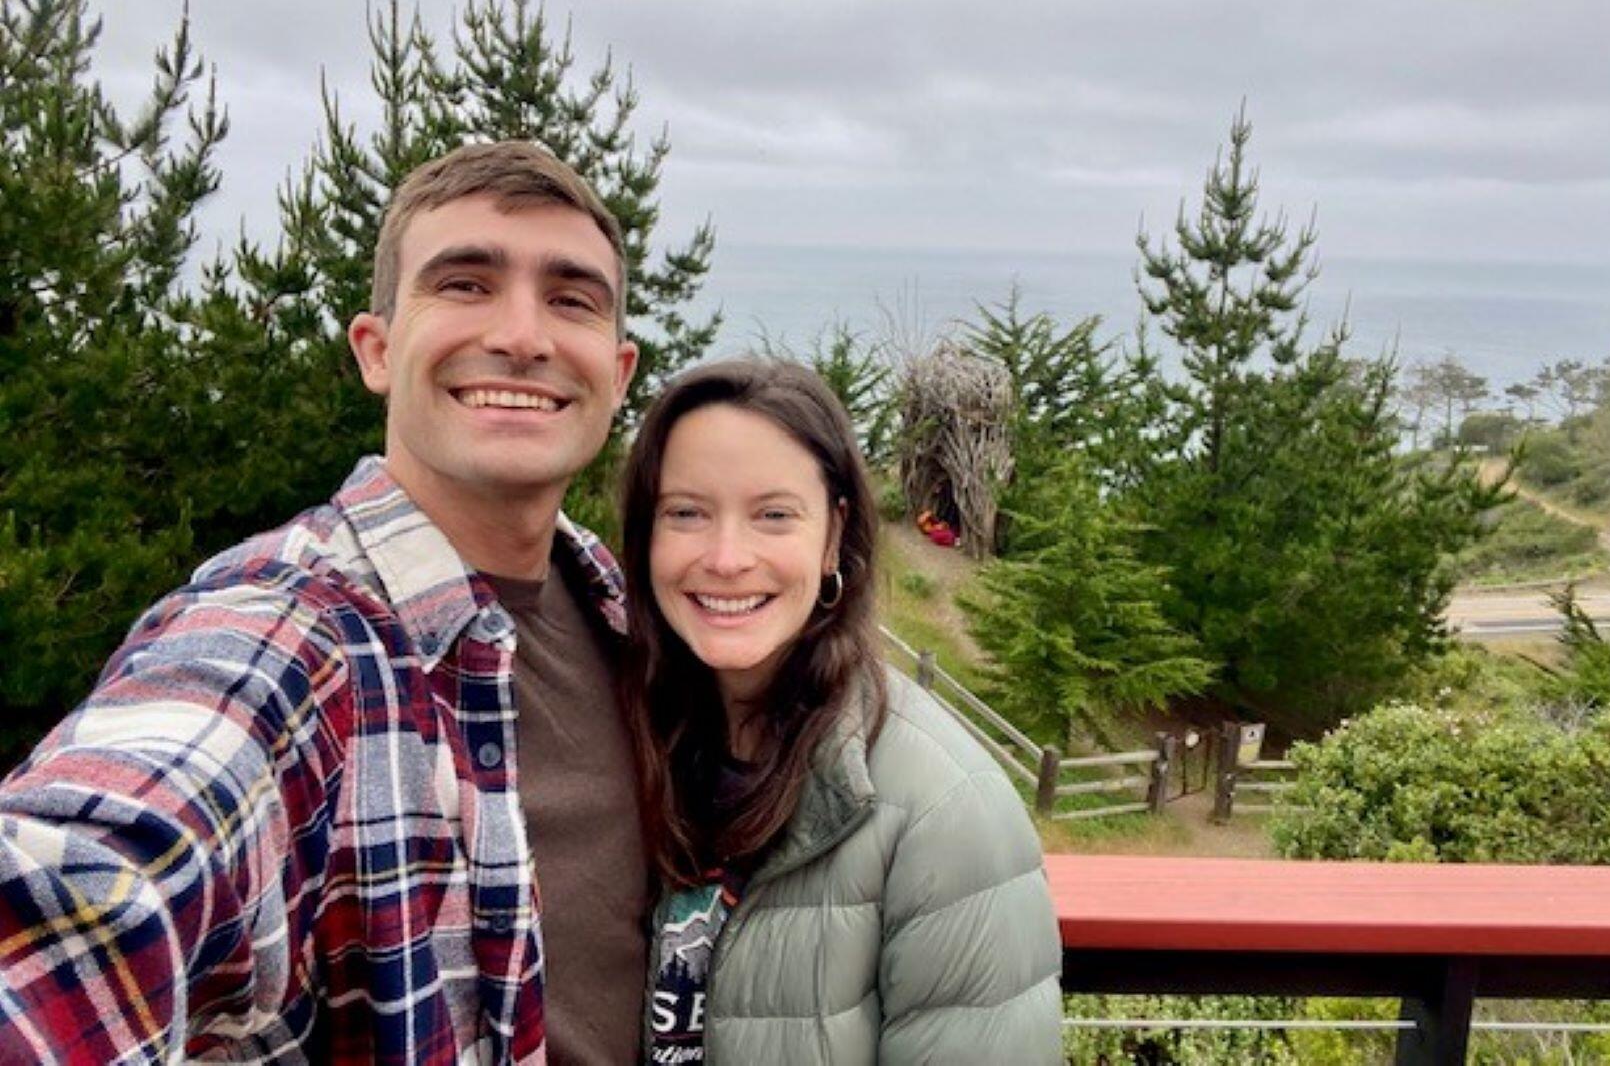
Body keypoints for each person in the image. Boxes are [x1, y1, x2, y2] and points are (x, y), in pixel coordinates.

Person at [0, 141, 648, 1064]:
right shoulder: (292, 634)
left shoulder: (625, 614)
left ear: (618, 375)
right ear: (376, 351)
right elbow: (103, 883)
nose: (523, 335)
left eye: (571, 298)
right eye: (464, 284)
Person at [617, 358, 1063, 1065]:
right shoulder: (625, 738)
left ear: (833, 536)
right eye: (686, 513)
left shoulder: (946, 811)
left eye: (773, 516)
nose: (727, 557)